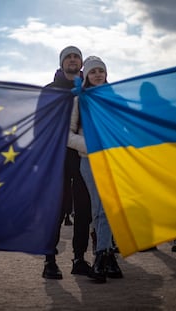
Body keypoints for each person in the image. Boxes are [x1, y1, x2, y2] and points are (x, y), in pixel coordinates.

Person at [68, 56, 123, 283]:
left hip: (112, 160)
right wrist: (89, 147)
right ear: (86, 76)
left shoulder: (115, 99)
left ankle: (104, 255)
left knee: (108, 208)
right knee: (99, 209)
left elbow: (123, 128)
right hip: (89, 161)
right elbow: (67, 134)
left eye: (101, 70)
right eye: (93, 72)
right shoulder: (79, 100)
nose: (98, 74)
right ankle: (104, 255)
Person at [40, 46, 92, 280]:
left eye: (76, 57)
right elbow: (39, 124)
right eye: (68, 57)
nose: (72, 60)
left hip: (83, 156)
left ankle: (79, 258)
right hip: (57, 157)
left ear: (81, 63)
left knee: (83, 209)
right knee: (57, 209)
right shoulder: (49, 91)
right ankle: (49, 260)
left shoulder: (89, 90)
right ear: (61, 63)